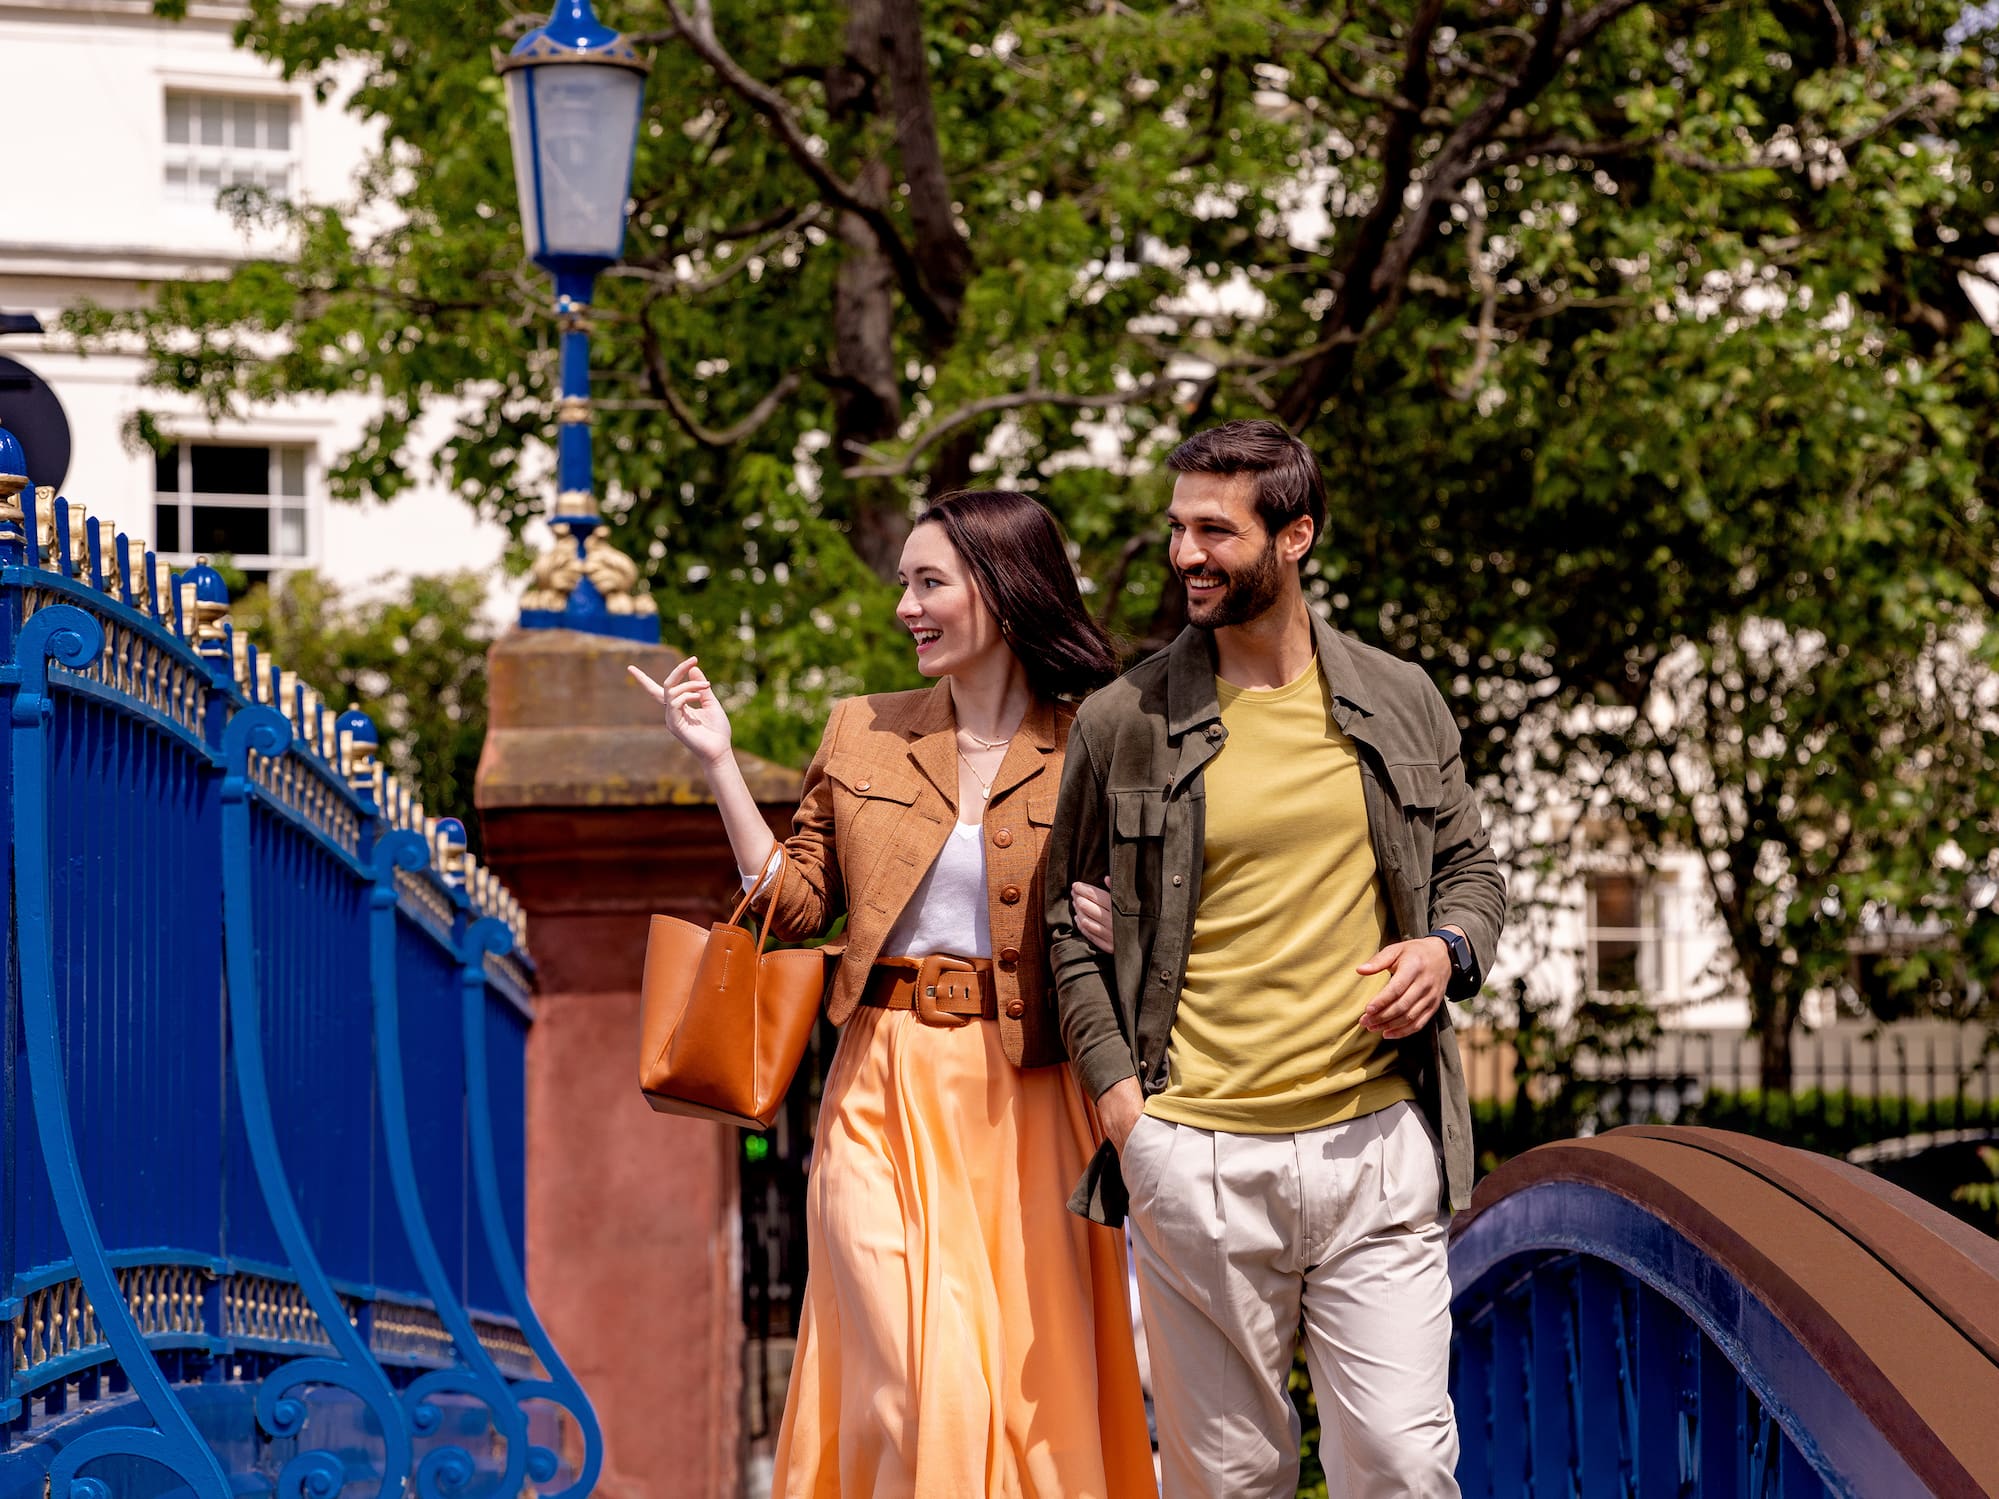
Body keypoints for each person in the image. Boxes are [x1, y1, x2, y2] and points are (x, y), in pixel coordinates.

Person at [630, 490, 1156, 1499]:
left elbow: (1157, 909)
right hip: (880, 1081)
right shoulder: (863, 731)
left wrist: (1124, 927)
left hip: (1035, 1094)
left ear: (1001, 592)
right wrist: (718, 763)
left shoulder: (1101, 738)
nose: (905, 607)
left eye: (929, 583)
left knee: (1020, 1389)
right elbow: (793, 906)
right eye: (903, 583)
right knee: (911, 1386)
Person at [1046, 420, 1506, 1499]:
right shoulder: (1127, 720)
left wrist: (1445, 950)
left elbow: (1473, 873)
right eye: (1176, 528)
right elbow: (1067, 922)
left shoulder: (1399, 698)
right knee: (1230, 1477)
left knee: (1401, 1460)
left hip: (1376, 1145)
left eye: (1216, 528)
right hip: (1195, 1151)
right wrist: (1122, 1107)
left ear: (1294, 535)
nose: (1186, 554)